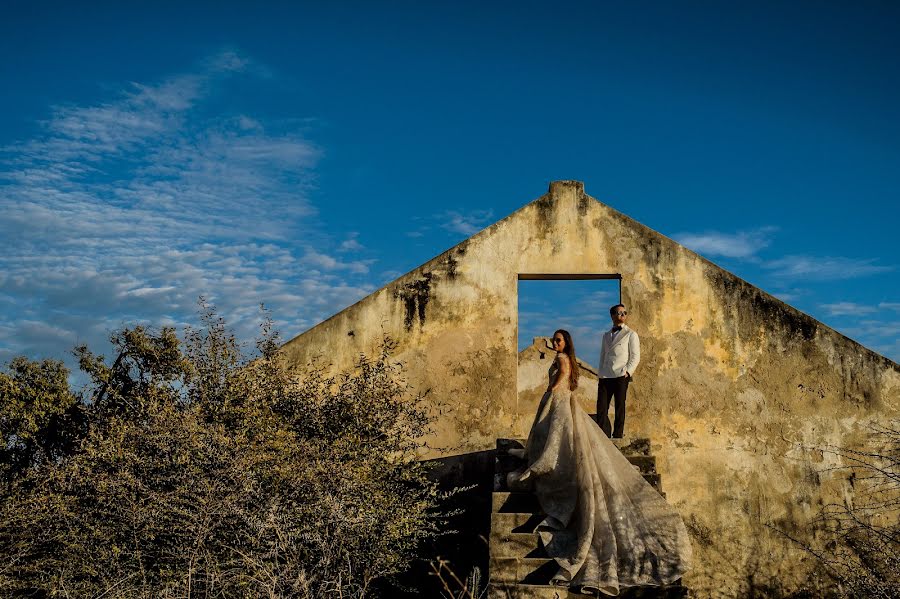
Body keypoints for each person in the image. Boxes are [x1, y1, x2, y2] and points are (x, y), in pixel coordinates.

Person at [509, 329, 691, 595]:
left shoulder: (562, 359)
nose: (556, 343)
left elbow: (561, 377)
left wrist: (551, 390)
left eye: (559, 340)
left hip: (559, 400)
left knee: (553, 439)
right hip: (565, 401)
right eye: (555, 340)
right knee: (558, 438)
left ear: (565, 343)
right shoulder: (568, 358)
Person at [598, 304, 640, 438]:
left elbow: (635, 356)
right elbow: (603, 355)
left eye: (624, 313)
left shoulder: (631, 334)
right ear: (612, 315)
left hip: (621, 374)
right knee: (601, 407)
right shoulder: (605, 335)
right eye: (617, 312)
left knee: (619, 407)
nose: (621, 315)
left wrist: (627, 372)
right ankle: (603, 435)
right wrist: (600, 372)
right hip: (605, 375)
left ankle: (617, 435)